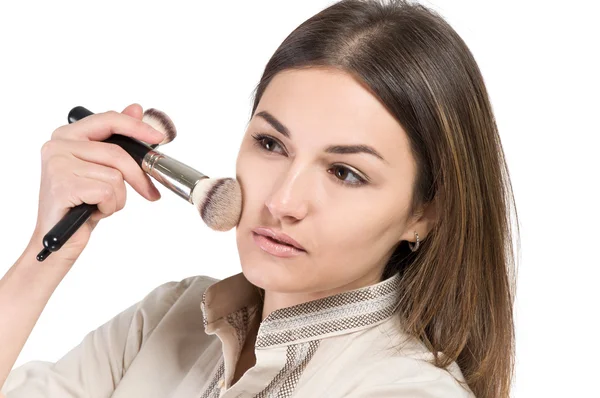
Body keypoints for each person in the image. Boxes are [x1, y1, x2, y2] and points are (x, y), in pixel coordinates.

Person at [0, 0, 518, 397]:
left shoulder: (401, 390)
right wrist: (41, 259)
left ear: (425, 213)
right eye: (270, 144)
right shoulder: (167, 319)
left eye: (346, 172)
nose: (283, 201)